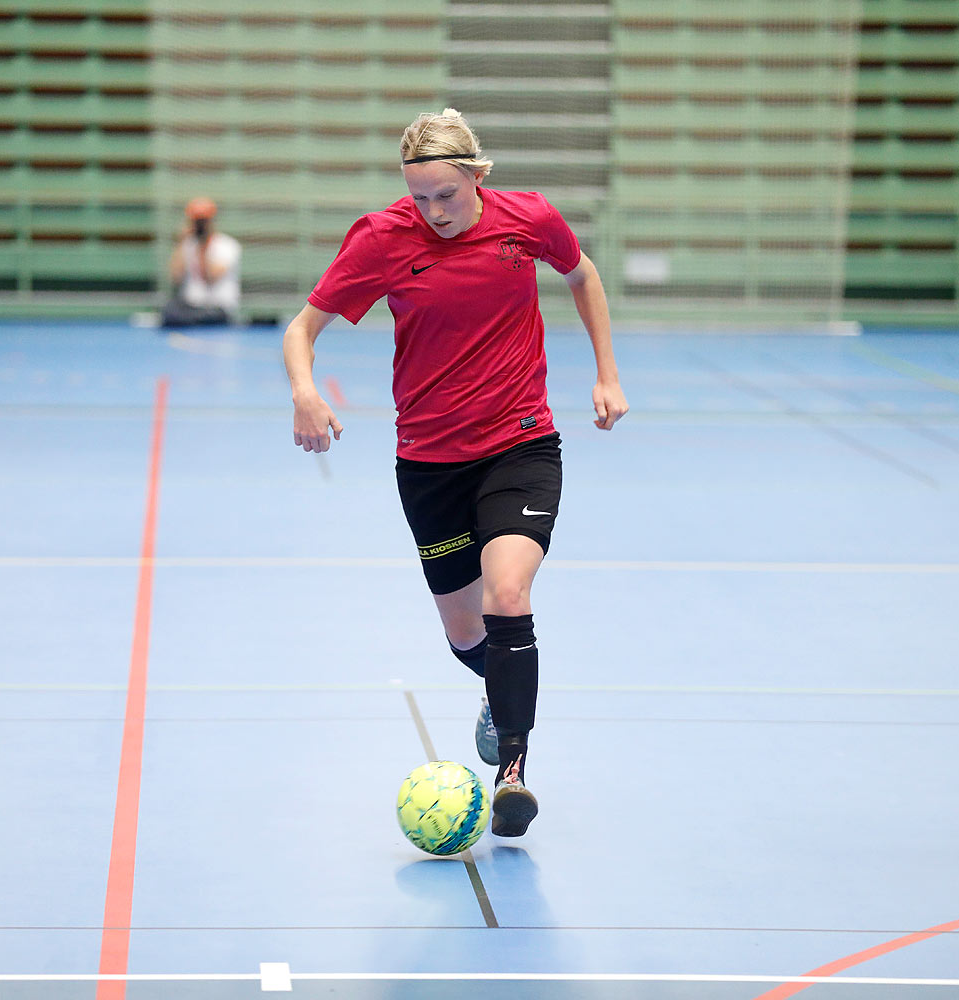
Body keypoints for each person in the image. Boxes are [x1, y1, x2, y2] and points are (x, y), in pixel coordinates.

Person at [282, 109, 628, 838]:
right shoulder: (380, 240)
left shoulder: (527, 220)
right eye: (420, 199)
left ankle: (513, 773)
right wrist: (306, 392)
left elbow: (582, 274)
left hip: (520, 445)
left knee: (509, 593)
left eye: (446, 194)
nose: (433, 212)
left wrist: (606, 373)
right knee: (468, 634)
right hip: (430, 463)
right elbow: (301, 329)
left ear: (477, 176)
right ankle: (495, 690)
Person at [162, 197, 241, 327]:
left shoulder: (227, 245)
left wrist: (203, 247)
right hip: (191, 306)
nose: (200, 225)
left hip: (218, 307)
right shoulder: (186, 245)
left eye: (203, 221)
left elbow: (211, 278)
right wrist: (180, 242)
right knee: (169, 311)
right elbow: (175, 278)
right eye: (196, 221)